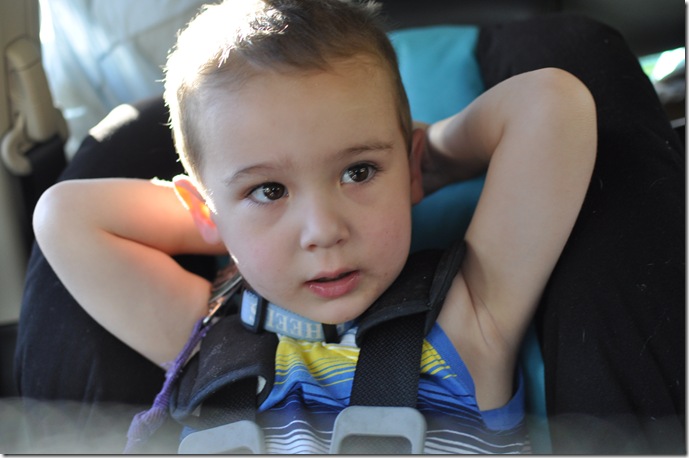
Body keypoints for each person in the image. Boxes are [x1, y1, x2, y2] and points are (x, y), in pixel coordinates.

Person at [14, 0, 684, 455]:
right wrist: (223, 223)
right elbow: (62, 216)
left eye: (358, 172)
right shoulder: (200, 336)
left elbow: (551, 105)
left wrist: (426, 162)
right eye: (269, 190)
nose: (322, 229)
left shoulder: (467, 325)